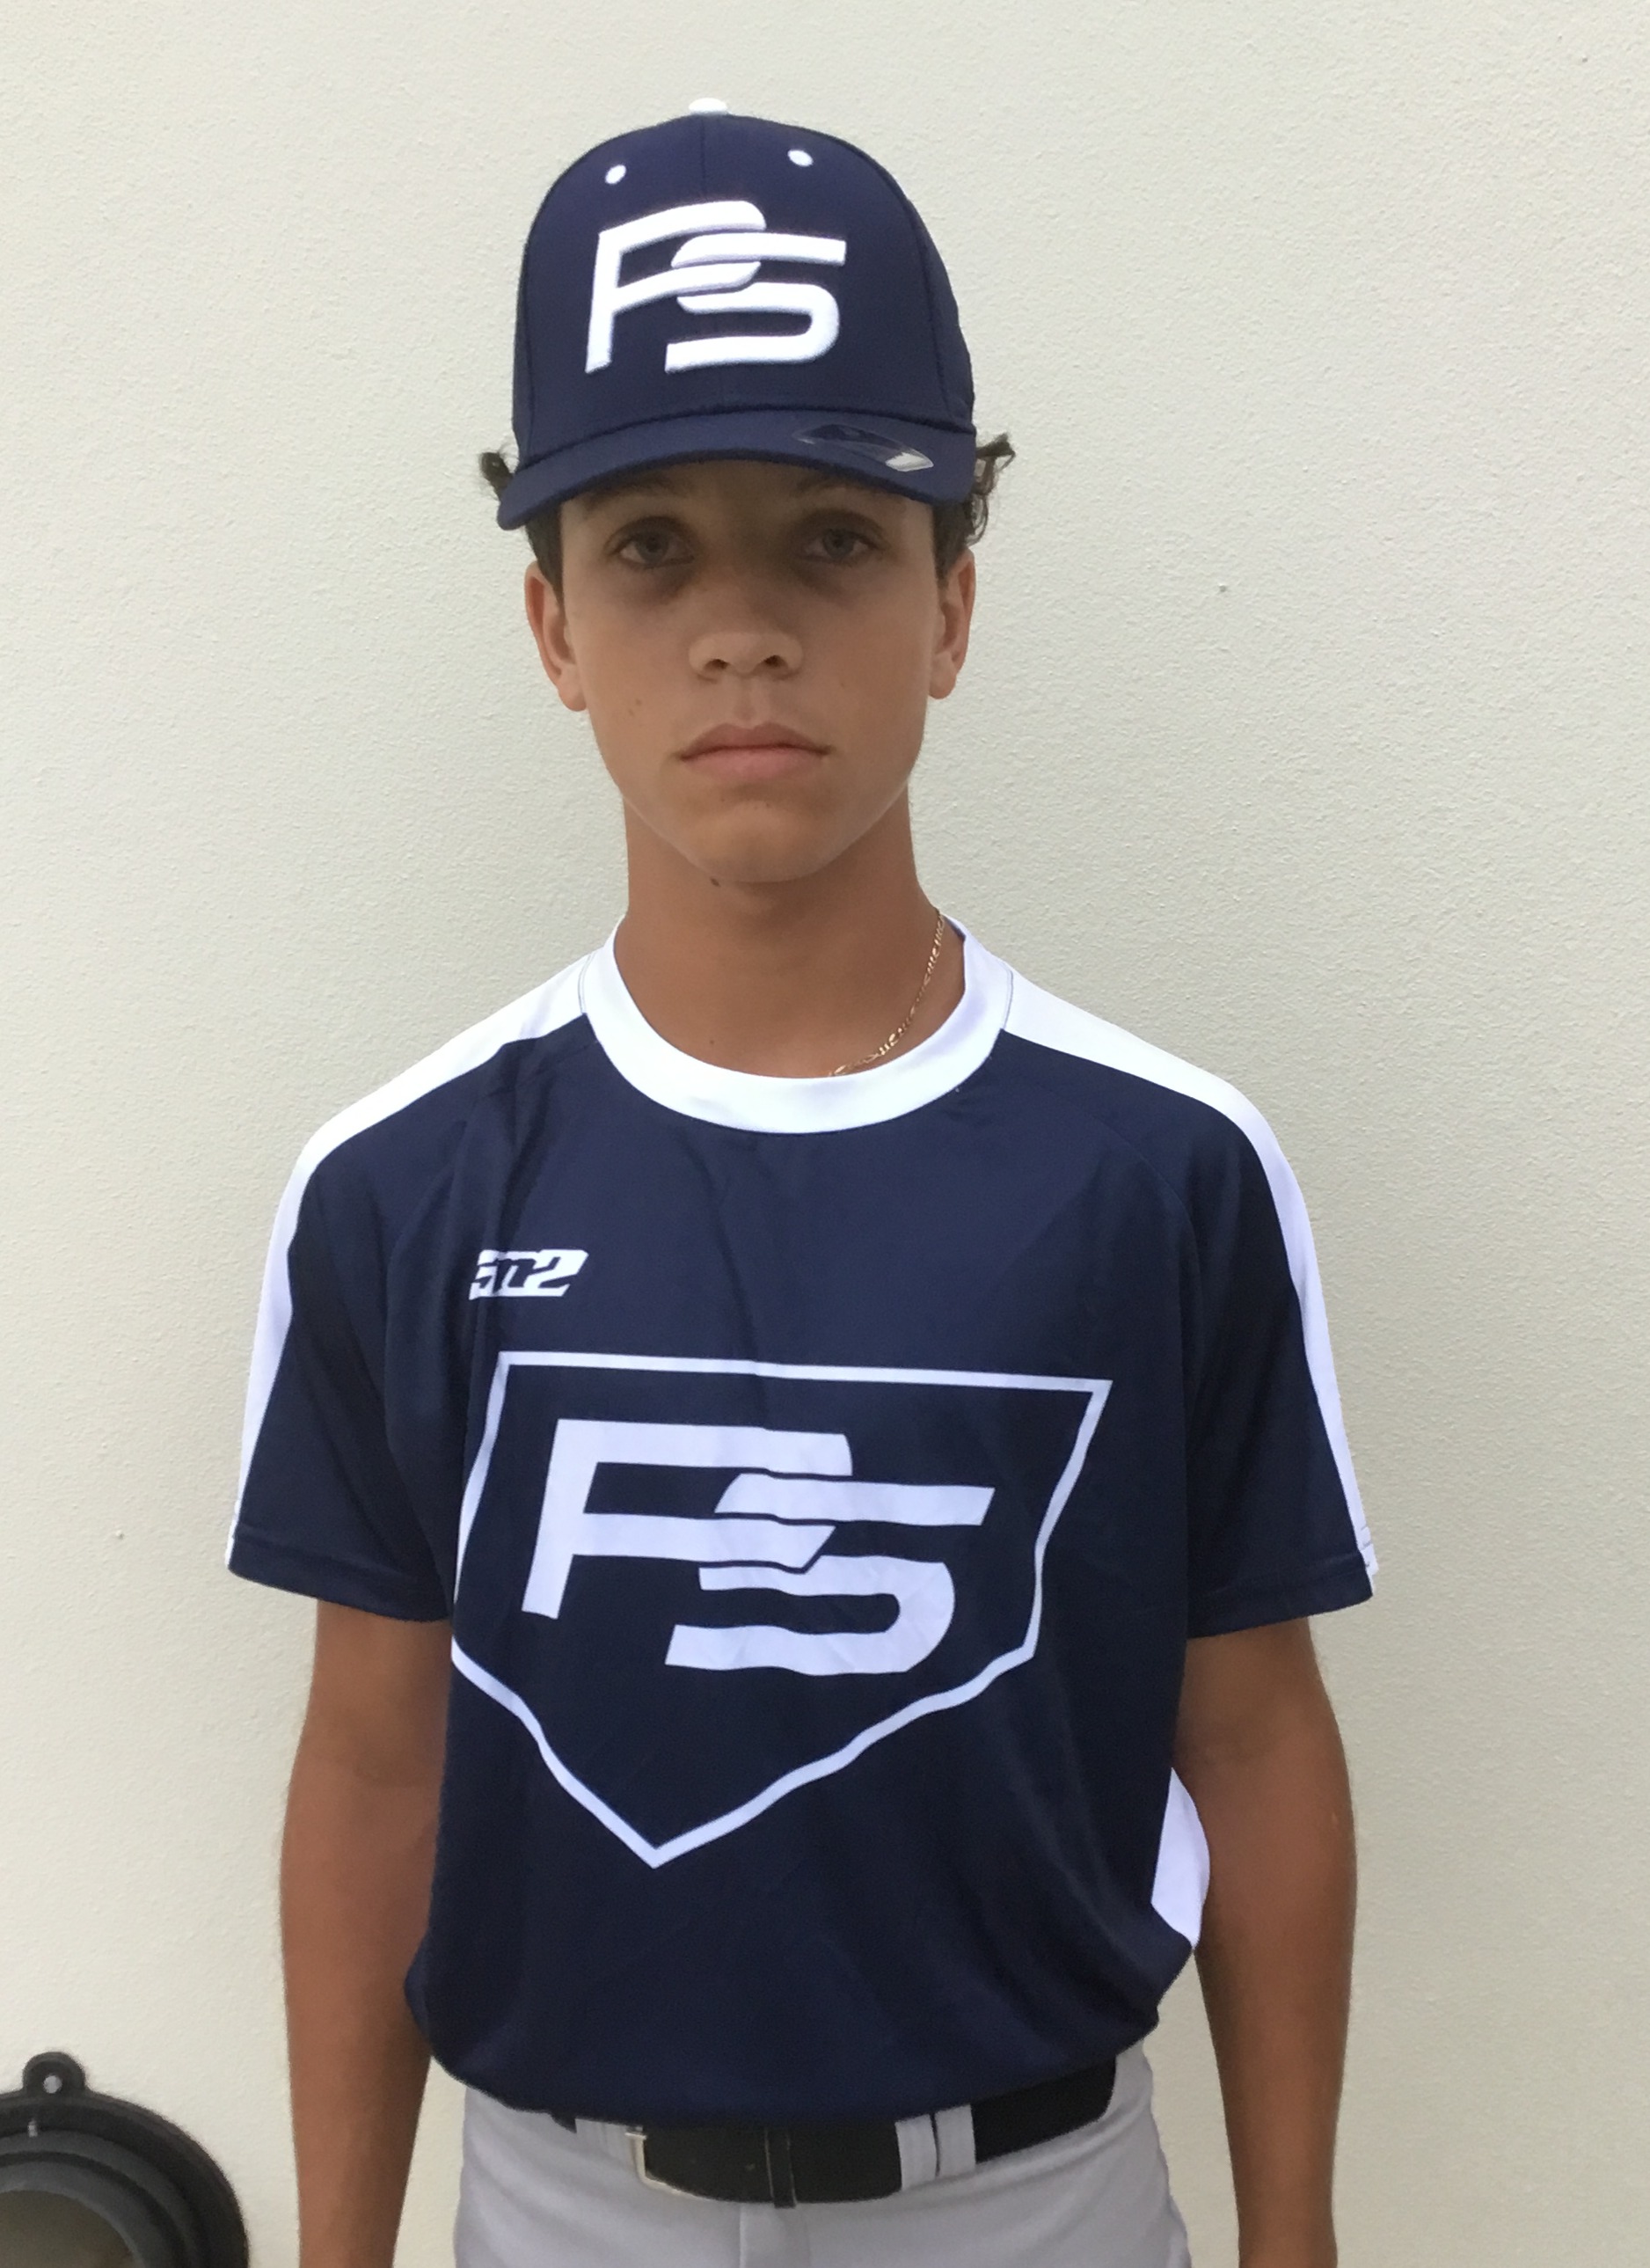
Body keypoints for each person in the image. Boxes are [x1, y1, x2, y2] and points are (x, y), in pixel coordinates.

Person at [229, 101, 1374, 2268]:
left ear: (950, 604)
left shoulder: (1159, 1168)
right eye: (650, 545)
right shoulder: (399, 1184)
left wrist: (1293, 2233)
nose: (740, 627)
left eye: (833, 537)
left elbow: (1247, 1732)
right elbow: (377, 1764)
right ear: (551, 626)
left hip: (1032, 2195)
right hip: (563, 2200)